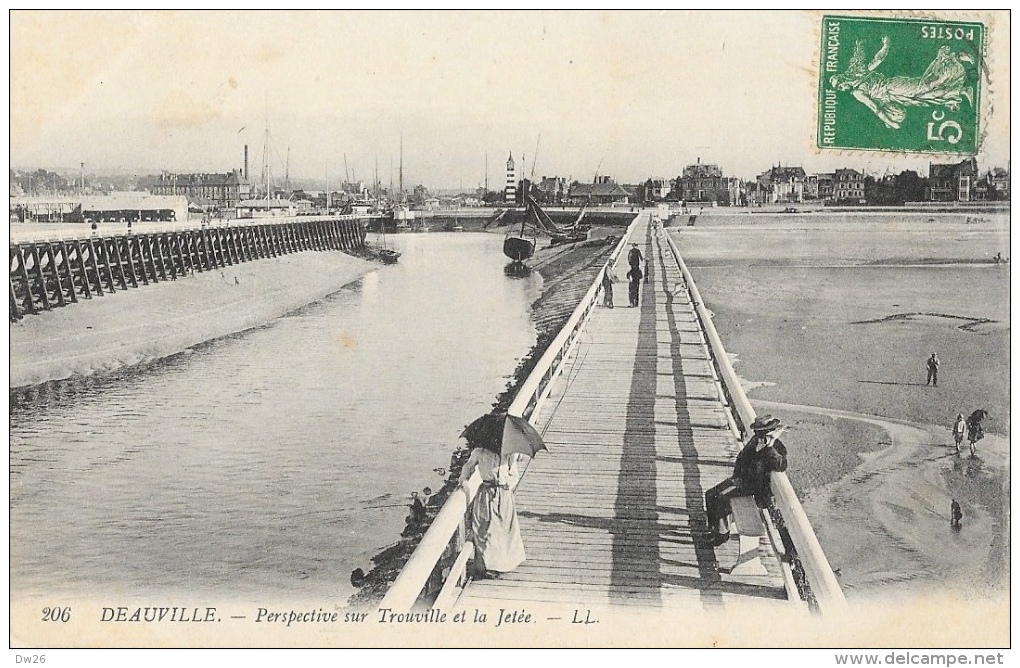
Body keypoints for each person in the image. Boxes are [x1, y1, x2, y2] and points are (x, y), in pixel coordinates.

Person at [704, 415, 789, 546]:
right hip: (741, 479)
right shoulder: (755, 441)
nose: (758, 434)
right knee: (710, 494)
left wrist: (769, 446)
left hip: (754, 487)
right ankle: (713, 528)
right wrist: (736, 476)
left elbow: (781, 465)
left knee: (721, 497)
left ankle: (722, 534)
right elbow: (741, 458)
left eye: (761, 432)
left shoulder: (777, 447)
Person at [458, 439, 526, 578]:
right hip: (487, 493)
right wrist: (464, 480)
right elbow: (469, 466)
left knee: (503, 528)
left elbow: (514, 474)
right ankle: (487, 565)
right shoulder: (479, 452)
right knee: (486, 528)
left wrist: (508, 483)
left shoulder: (509, 453)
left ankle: (501, 563)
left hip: (504, 494)